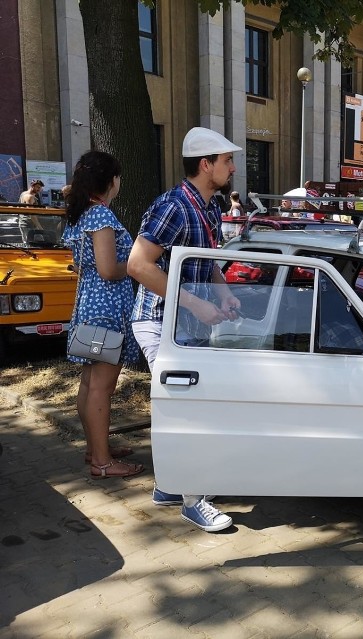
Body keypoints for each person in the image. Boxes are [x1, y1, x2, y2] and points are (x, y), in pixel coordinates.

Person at [128, 126, 242, 532]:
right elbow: (138, 265)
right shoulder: (173, 205)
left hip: (187, 322)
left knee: (183, 405)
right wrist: (195, 303)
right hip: (159, 322)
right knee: (189, 408)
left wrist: (223, 293)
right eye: (226, 160)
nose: (232, 166)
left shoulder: (210, 206)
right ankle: (194, 500)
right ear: (205, 164)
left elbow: (205, 260)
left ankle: (169, 485)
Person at [62, 151, 143, 479]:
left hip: (89, 309)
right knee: (101, 388)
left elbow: (84, 266)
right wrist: (139, 266)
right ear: (111, 181)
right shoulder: (102, 217)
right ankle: (102, 463)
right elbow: (110, 270)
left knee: (89, 384)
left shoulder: (82, 215)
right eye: (118, 176)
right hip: (106, 313)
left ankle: (96, 450)